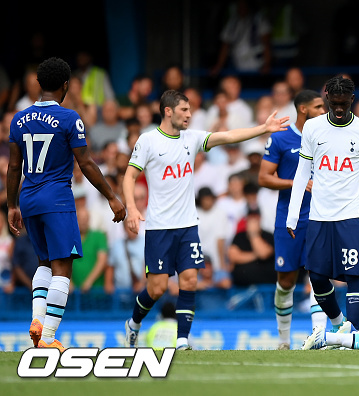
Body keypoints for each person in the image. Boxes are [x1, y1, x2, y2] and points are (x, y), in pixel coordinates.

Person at [123, 89, 289, 350]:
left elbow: (229, 136)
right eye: (184, 110)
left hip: (188, 225)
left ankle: (182, 340)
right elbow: (129, 176)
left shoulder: (192, 139)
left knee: (189, 280)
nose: (189, 115)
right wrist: (131, 209)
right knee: (157, 288)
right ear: (168, 111)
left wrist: (263, 128)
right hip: (158, 228)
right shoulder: (148, 141)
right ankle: (133, 322)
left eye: (190, 110)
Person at [7, 57, 126, 352]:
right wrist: (112, 196)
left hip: (28, 197)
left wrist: (12, 206)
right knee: (63, 269)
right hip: (57, 198)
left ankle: (36, 322)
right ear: (66, 85)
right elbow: (85, 162)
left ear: (38, 84)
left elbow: (12, 167)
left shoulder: (18, 119)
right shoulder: (70, 118)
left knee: (44, 262)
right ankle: (47, 337)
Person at [286, 76, 359, 333]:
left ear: (352, 100)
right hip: (319, 215)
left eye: (344, 103)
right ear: (327, 99)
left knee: (354, 275)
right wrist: (292, 214)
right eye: (334, 104)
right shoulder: (312, 128)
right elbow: (302, 172)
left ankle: (352, 334)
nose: (339, 109)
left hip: (351, 214)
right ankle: (338, 324)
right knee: (318, 278)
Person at [258, 89, 327, 350]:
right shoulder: (280, 139)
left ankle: (318, 337)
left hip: (320, 218)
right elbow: (264, 177)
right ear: (304, 110)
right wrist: (295, 183)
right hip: (289, 219)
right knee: (286, 282)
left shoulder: (328, 138)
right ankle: (283, 341)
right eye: (319, 106)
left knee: (319, 276)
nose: (324, 111)